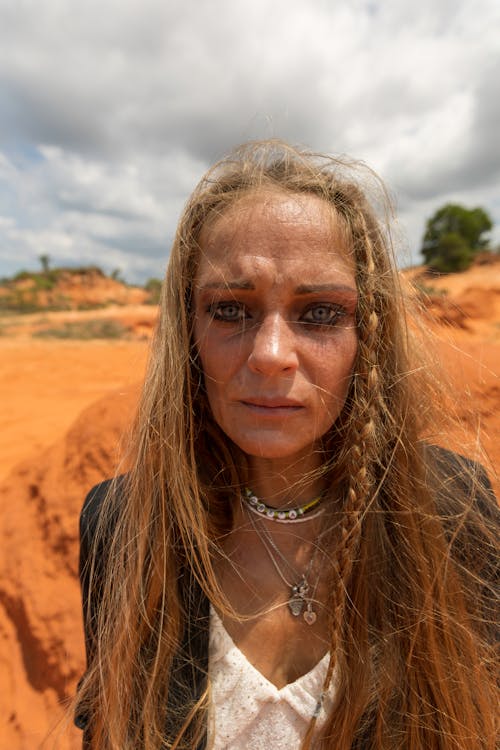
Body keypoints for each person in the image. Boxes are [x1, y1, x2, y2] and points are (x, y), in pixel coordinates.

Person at [74, 140, 498, 749]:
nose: (271, 355)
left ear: (367, 335)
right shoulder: (123, 525)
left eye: (321, 312)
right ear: (187, 329)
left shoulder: (455, 513)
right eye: (229, 309)